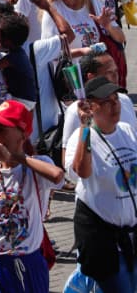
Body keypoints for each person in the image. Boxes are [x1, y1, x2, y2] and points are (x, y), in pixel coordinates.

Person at [0, 99, 65, 293]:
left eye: (2, 129)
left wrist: (14, 157)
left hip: (27, 262)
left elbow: (57, 176)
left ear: (23, 134)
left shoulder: (36, 165)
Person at [65, 75, 137, 293]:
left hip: (131, 236)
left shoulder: (127, 130)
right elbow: (82, 171)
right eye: (106, 102)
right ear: (90, 107)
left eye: (116, 99)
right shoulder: (79, 138)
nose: (114, 105)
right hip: (104, 242)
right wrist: (85, 127)